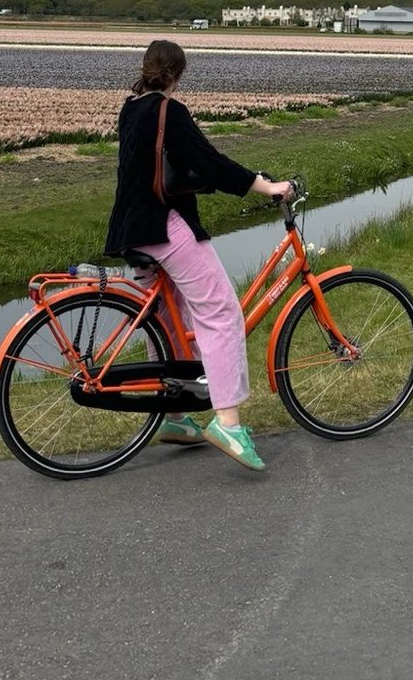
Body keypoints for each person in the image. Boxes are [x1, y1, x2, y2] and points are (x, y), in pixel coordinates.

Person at [104, 39, 292, 471]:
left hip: (131, 228)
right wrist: (266, 185)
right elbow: (209, 162)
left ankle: (174, 416)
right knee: (221, 313)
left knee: (170, 321)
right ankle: (227, 422)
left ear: (148, 69)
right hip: (163, 227)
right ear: (179, 74)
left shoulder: (130, 108)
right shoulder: (171, 111)